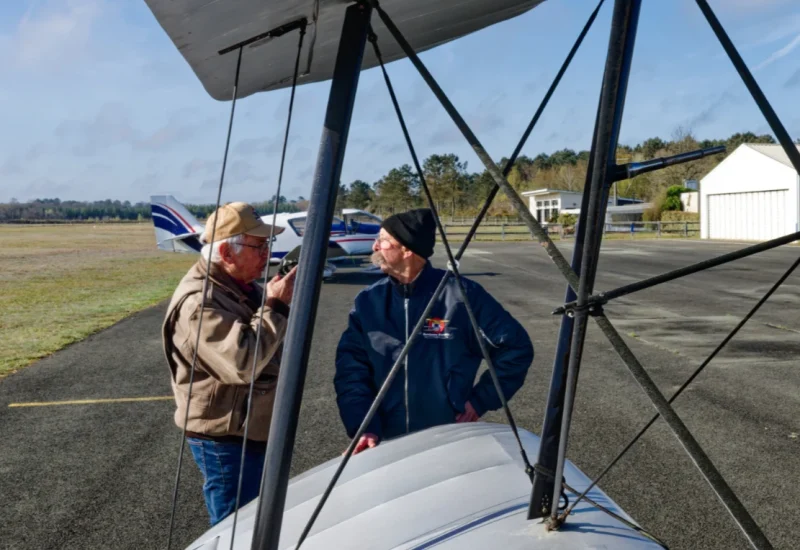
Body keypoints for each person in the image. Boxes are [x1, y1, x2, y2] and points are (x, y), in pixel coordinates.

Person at [334, 208, 534, 454]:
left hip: (447, 437)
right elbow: (351, 370)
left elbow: (515, 347)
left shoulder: (461, 295)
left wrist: (480, 400)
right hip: (382, 440)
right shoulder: (368, 301)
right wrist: (362, 425)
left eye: (383, 240)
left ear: (407, 249)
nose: (375, 246)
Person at [162, 201, 297, 525]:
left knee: (257, 522)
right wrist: (276, 304)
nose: (266, 252)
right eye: (259, 245)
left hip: (247, 429)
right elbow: (243, 363)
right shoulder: (199, 304)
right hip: (226, 437)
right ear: (226, 254)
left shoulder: (239, 285)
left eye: (268, 244)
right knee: (236, 529)